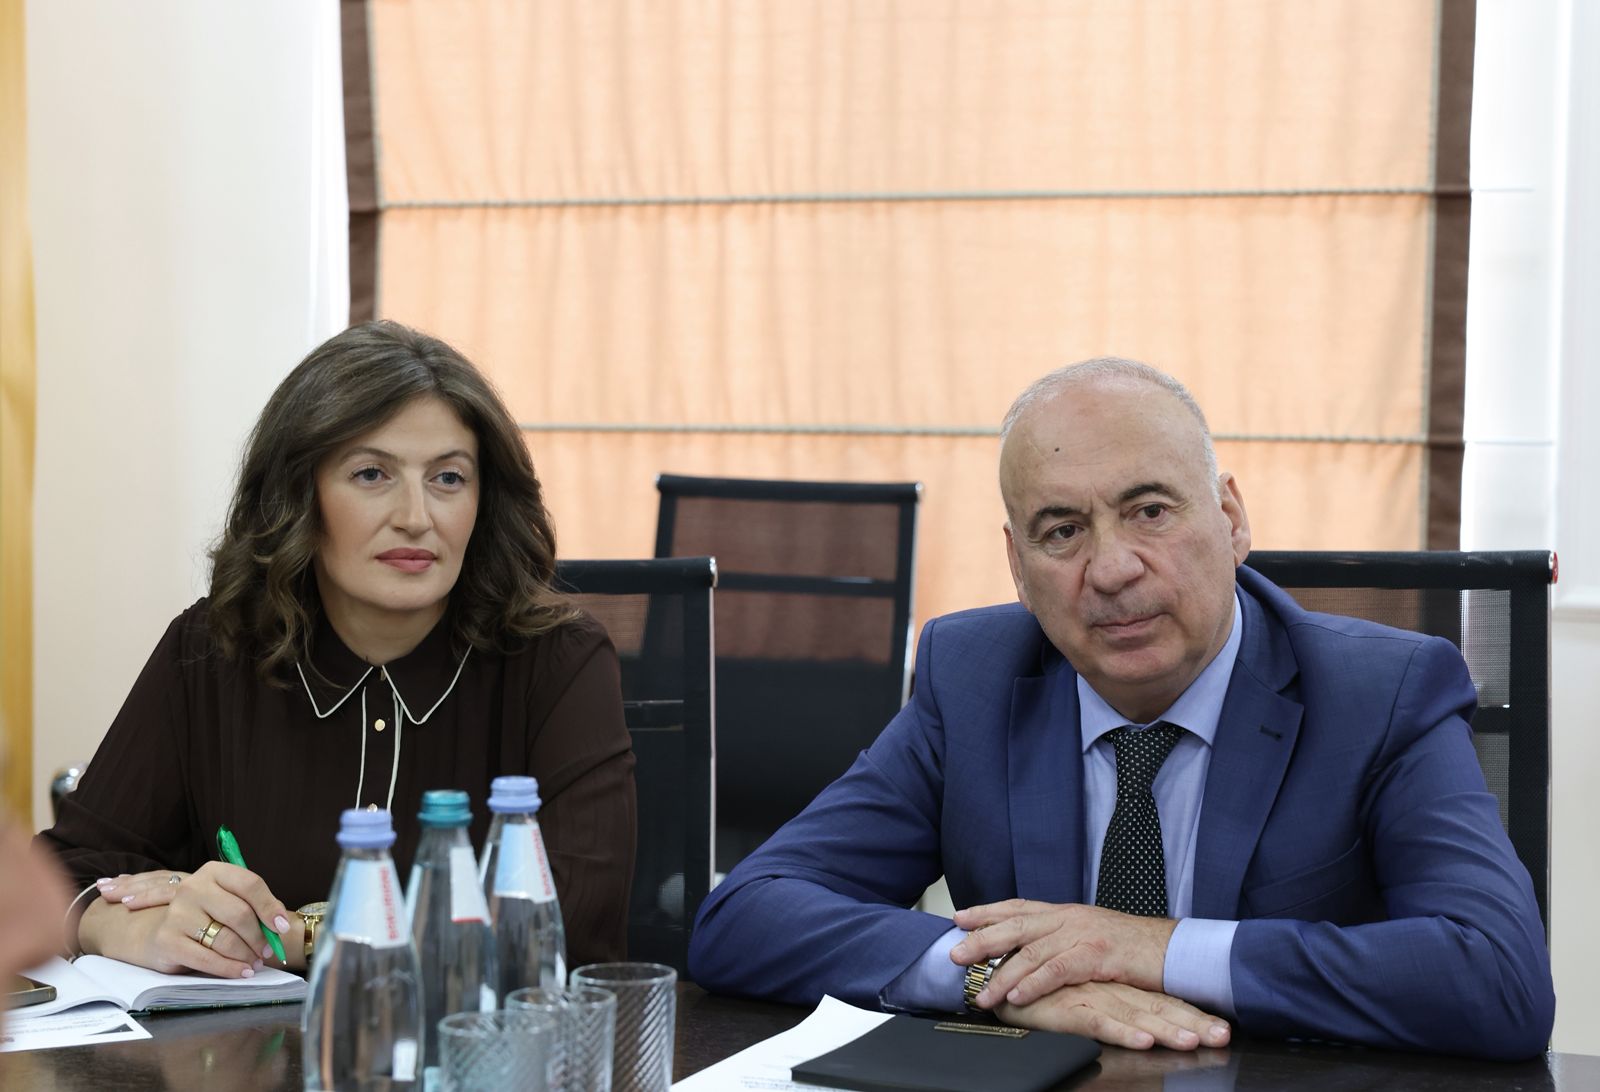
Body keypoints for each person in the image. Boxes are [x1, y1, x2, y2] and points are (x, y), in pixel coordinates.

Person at [688, 358, 1555, 1060]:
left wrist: (1155, 948)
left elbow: (1498, 979)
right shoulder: (974, 679)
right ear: (1018, 566)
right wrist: (998, 979)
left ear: (1230, 517)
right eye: (1062, 530)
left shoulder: (1384, 693)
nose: (1111, 570)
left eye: (1149, 511)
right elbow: (746, 916)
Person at [38, 321, 636, 979]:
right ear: (301, 493)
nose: (416, 516)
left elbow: (569, 928)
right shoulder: (213, 648)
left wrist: (299, 936)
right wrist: (134, 925)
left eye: (448, 478)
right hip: (245, 1044)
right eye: (372, 474)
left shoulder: (558, 662)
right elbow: (66, 869)